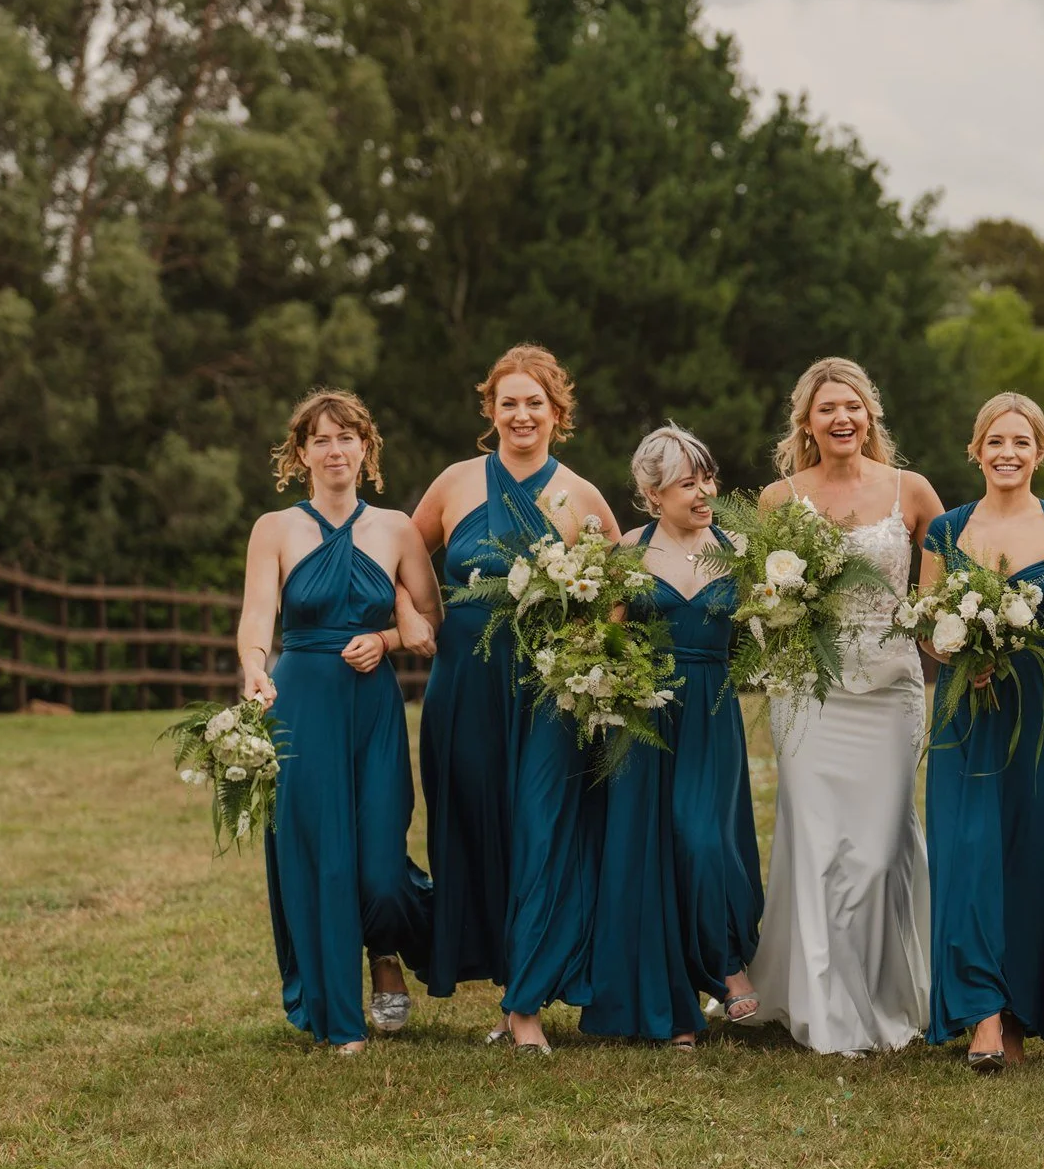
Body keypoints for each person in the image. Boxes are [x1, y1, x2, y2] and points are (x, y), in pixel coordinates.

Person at [409, 344, 621, 1054]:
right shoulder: (456, 484)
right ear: (490, 410)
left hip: (547, 690)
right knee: (482, 831)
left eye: (536, 402)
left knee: (541, 830)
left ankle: (526, 1005)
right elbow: (398, 558)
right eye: (509, 402)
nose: (522, 413)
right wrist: (411, 617)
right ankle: (509, 987)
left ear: (558, 413)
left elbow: (619, 589)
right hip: (464, 687)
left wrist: (592, 654)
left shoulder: (582, 496)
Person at [746, 357, 946, 1055]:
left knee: (878, 849)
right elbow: (761, 597)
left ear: (870, 416)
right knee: (819, 843)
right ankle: (826, 1010)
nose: (842, 419)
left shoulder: (912, 491)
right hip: (809, 688)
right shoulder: (778, 499)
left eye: (853, 407)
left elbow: (940, 593)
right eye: (828, 408)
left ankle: (888, 995)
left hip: (891, 685)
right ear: (806, 421)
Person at [237, 389, 439, 1054]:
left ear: (366, 448)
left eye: (347, 436)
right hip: (300, 702)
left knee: (380, 860)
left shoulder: (398, 528)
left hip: (372, 705)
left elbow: (430, 625)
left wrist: (386, 637)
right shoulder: (275, 528)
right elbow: (257, 618)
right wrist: (254, 670)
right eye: (321, 439)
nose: (335, 449)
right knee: (320, 858)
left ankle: (388, 946)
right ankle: (337, 1016)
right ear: (301, 453)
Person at [921, 393, 1044, 1073]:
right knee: (969, 852)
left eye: (1021, 442)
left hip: (1041, 705)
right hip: (967, 711)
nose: (1007, 452)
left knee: (1033, 855)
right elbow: (926, 624)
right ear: (976, 449)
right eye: (996, 440)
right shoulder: (945, 528)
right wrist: (961, 649)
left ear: (1039, 451)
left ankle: (1019, 1010)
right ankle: (982, 1012)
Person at [586, 427, 763, 1049]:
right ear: (651, 493)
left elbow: (767, 633)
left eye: (707, 478)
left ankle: (725, 961)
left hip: (711, 715)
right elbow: (607, 641)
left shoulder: (739, 551)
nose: (705, 492)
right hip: (647, 714)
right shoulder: (627, 554)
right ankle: (674, 1008)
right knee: (649, 856)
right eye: (689, 483)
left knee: (705, 840)